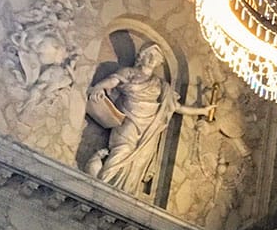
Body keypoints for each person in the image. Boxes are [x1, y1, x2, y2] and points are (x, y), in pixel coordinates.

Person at [85, 43, 214, 195]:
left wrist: (202, 111)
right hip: (128, 119)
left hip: (150, 127)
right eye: (149, 55)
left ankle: (127, 195)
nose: (152, 59)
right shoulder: (129, 73)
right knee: (122, 150)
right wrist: (99, 86)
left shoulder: (161, 85)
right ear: (142, 56)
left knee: (140, 161)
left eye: (156, 57)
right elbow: (113, 81)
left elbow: (177, 107)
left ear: (159, 62)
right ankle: (102, 186)